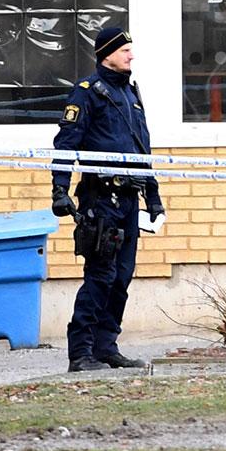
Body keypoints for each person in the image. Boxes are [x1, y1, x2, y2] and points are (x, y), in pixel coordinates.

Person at [52, 22, 162, 372]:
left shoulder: (130, 94)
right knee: (101, 276)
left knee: (122, 277)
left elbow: (142, 148)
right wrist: (60, 189)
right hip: (100, 200)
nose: (131, 54)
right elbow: (66, 144)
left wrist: (153, 195)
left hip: (129, 201)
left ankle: (106, 346)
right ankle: (80, 352)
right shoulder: (87, 93)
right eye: (124, 50)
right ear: (107, 54)